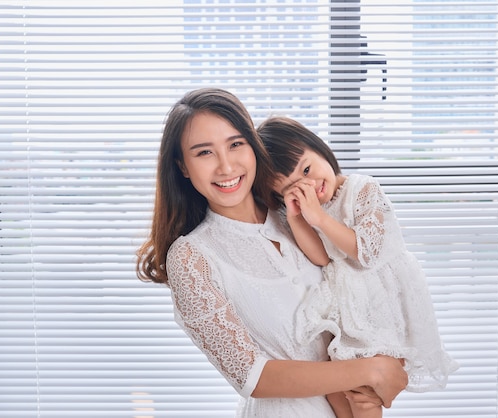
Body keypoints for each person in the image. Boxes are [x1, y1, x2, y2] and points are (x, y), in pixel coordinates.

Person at [135, 88, 408, 417]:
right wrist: (371, 371)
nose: (226, 166)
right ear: (183, 167)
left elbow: (365, 283)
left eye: (235, 144)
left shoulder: (296, 212)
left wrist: (385, 365)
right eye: (204, 153)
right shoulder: (192, 257)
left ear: (253, 145)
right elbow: (252, 376)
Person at [257, 116, 459, 418]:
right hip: (349, 307)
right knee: (337, 389)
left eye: (307, 170)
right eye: (292, 189)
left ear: (318, 147)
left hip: (381, 305)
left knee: (363, 395)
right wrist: (299, 218)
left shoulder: (362, 189)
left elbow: (366, 253)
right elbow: (322, 258)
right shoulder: (310, 212)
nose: (309, 186)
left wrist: (320, 219)